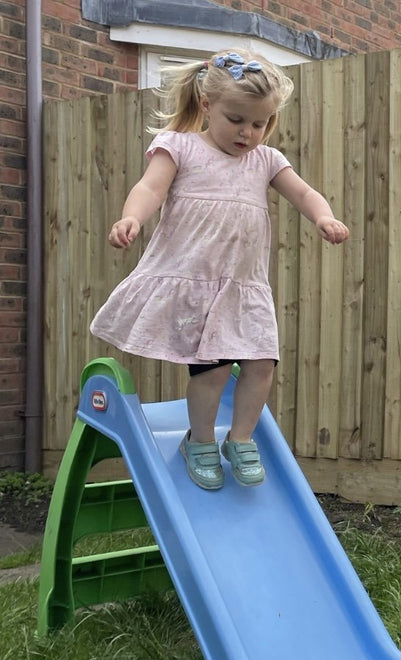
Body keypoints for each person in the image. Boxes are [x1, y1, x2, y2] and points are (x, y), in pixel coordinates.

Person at [91, 50, 349, 491]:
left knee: (262, 363)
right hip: (195, 282)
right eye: (237, 120)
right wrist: (131, 217)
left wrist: (323, 217)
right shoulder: (181, 146)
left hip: (244, 286)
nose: (249, 133)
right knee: (210, 370)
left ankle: (241, 438)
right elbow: (149, 187)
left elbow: (305, 193)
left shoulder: (266, 160)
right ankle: (201, 441)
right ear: (208, 106)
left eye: (260, 123)